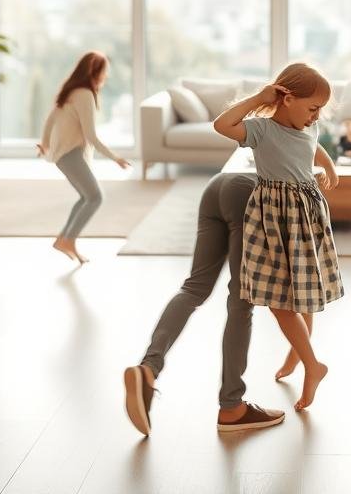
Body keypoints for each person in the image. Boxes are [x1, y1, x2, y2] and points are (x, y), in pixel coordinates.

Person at [213, 63, 342, 411]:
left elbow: (312, 145)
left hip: (306, 217)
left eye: (319, 110)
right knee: (277, 299)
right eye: (312, 108)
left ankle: (304, 359)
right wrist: (260, 97)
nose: (316, 117)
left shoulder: (307, 127)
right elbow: (222, 125)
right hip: (274, 218)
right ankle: (309, 360)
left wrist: (328, 165)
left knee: (302, 292)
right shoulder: (262, 130)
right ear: (287, 98)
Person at [123, 173, 287, 436]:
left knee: (194, 288)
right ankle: (232, 406)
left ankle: (149, 367)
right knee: (242, 301)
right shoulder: (300, 136)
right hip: (247, 192)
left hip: (217, 185)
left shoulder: (263, 131)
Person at [37, 51, 131, 264]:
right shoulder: (84, 94)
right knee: (96, 197)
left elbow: (51, 117)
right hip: (70, 154)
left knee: (85, 197)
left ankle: (64, 239)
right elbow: (91, 135)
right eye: (104, 72)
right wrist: (115, 157)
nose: (105, 77)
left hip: (65, 154)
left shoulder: (71, 91)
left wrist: (44, 143)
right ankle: (68, 239)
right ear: (95, 73)